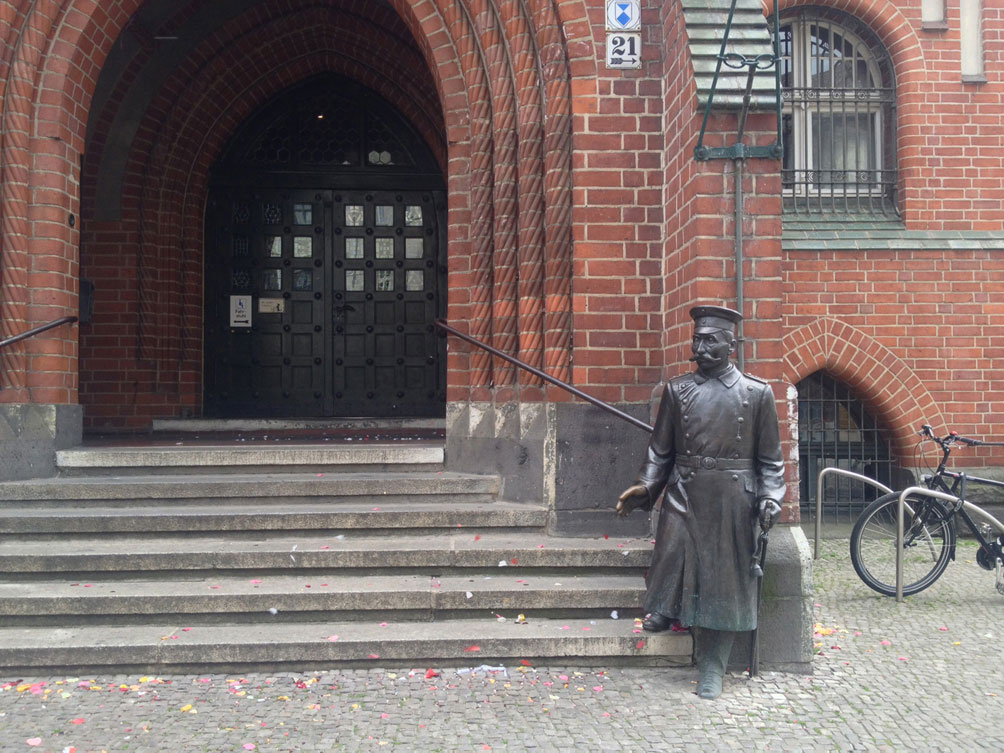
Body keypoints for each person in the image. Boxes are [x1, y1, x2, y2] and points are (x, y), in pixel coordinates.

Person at [616, 304, 785, 700]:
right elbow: (660, 451)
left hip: (732, 498)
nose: (700, 346)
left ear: (731, 345)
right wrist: (645, 486)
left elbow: (771, 462)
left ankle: (713, 667)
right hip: (684, 488)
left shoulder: (756, 394)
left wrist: (770, 499)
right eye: (697, 339)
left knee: (724, 587)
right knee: (672, 552)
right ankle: (666, 607)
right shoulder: (678, 390)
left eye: (710, 340)